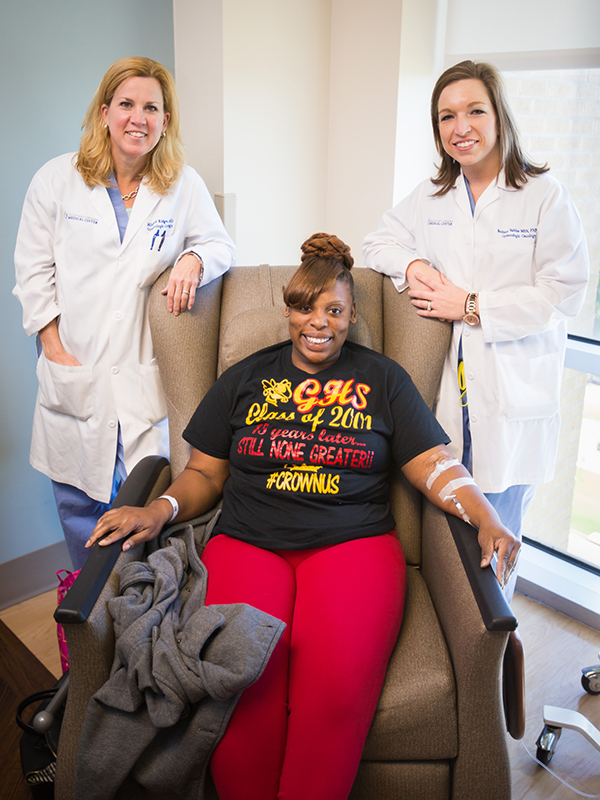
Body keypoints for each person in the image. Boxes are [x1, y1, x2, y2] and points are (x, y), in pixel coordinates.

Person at [87, 232, 519, 800]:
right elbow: (205, 474)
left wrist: (483, 514)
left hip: (353, 547)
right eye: (306, 308)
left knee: (335, 695)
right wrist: (158, 507)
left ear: (351, 315)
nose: (319, 322)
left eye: (334, 310)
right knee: (245, 685)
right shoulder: (244, 379)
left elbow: (432, 463)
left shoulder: (383, 380)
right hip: (247, 543)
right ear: (288, 311)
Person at [363, 60, 589, 596]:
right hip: (449, 397)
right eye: (446, 116)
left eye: (474, 111)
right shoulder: (432, 196)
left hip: (513, 401)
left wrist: (470, 304)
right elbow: (378, 243)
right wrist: (415, 268)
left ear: (500, 116)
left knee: (495, 555)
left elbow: (565, 293)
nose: (460, 127)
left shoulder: (544, 196)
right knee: (447, 548)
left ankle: (496, 655)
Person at [13, 56, 235, 570]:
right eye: (128, 104)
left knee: (142, 522)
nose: (139, 118)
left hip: (140, 384)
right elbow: (31, 270)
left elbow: (220, 244)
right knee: (80, 519)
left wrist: (193, 258)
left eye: (152, 108)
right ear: (106, 111)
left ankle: (136, 638)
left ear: (166, 120)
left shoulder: (182, 185)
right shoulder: (57, 180)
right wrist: (52, 346)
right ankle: (86, 636)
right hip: (75, 372)